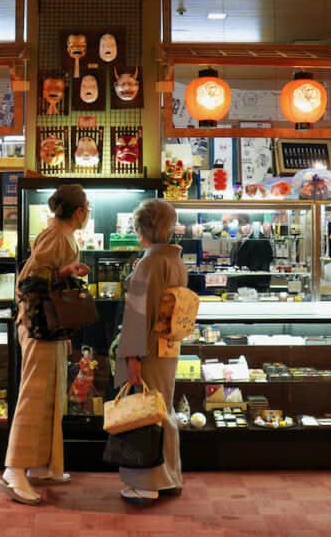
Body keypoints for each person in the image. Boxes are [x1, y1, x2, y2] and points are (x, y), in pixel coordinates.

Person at [1, 184, 90, 505]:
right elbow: (30, 282)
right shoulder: (57, 237)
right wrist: (66, 271)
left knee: (50, 395)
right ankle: (14, 470)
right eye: (86, 207)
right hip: (38, 326)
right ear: (79, 211)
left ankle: (42, 464)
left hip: (48, 326)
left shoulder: (58, 234)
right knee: (35, 395)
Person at [115, 199, 188, 506]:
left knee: (144, 411)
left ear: (142, 228)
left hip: (145, 347)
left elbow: (136, 315)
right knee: (164, 409)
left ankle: (146, 483)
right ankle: (169, 475)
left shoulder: (149, 263)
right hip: (168, 346)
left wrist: (132, 356)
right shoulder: (175, 260)